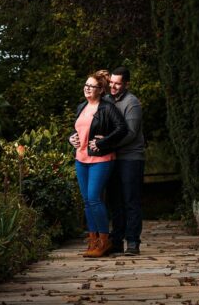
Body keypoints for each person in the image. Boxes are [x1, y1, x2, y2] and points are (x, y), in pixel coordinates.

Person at [68, 70, 128, 258]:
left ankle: (104, 240)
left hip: (101, 159)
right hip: (81, 158)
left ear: (101, 90)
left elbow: (122, 128)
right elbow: (77, 130)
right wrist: (71, 139)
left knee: (94, 197)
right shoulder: (81, 107)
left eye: (91, 86)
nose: (87, 89)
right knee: (87, 201)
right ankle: (93, 240)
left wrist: (103, 142)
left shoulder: (107, 107)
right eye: (85, 85)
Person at [106, 66, 145, 255]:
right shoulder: (105, 100)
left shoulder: (132, 103)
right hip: (112, 158)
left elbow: (130, 134)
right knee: (115, 201)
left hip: (131, 158)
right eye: (111, 82)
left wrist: (106, 144)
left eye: (117, 83)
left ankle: (132, 242)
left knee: (131, 200)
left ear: (126, 84)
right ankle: (115, 241)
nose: (112, 86)